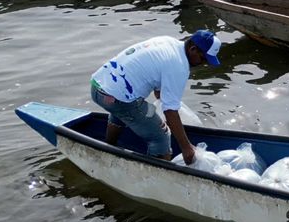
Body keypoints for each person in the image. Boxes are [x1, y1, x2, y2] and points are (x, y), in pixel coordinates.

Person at [90, 30, 223, 165]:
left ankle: (108, 148)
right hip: (117, 99)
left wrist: (163, 96)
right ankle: (153, 177)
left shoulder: (168, 41)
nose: (204, 63)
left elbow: (157, 76)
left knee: (122, 110)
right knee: (161, 136)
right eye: (203, 59)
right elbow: (170, 111)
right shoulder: (179, 66)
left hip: (98, 87)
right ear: (193, 49)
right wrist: (186, 148)